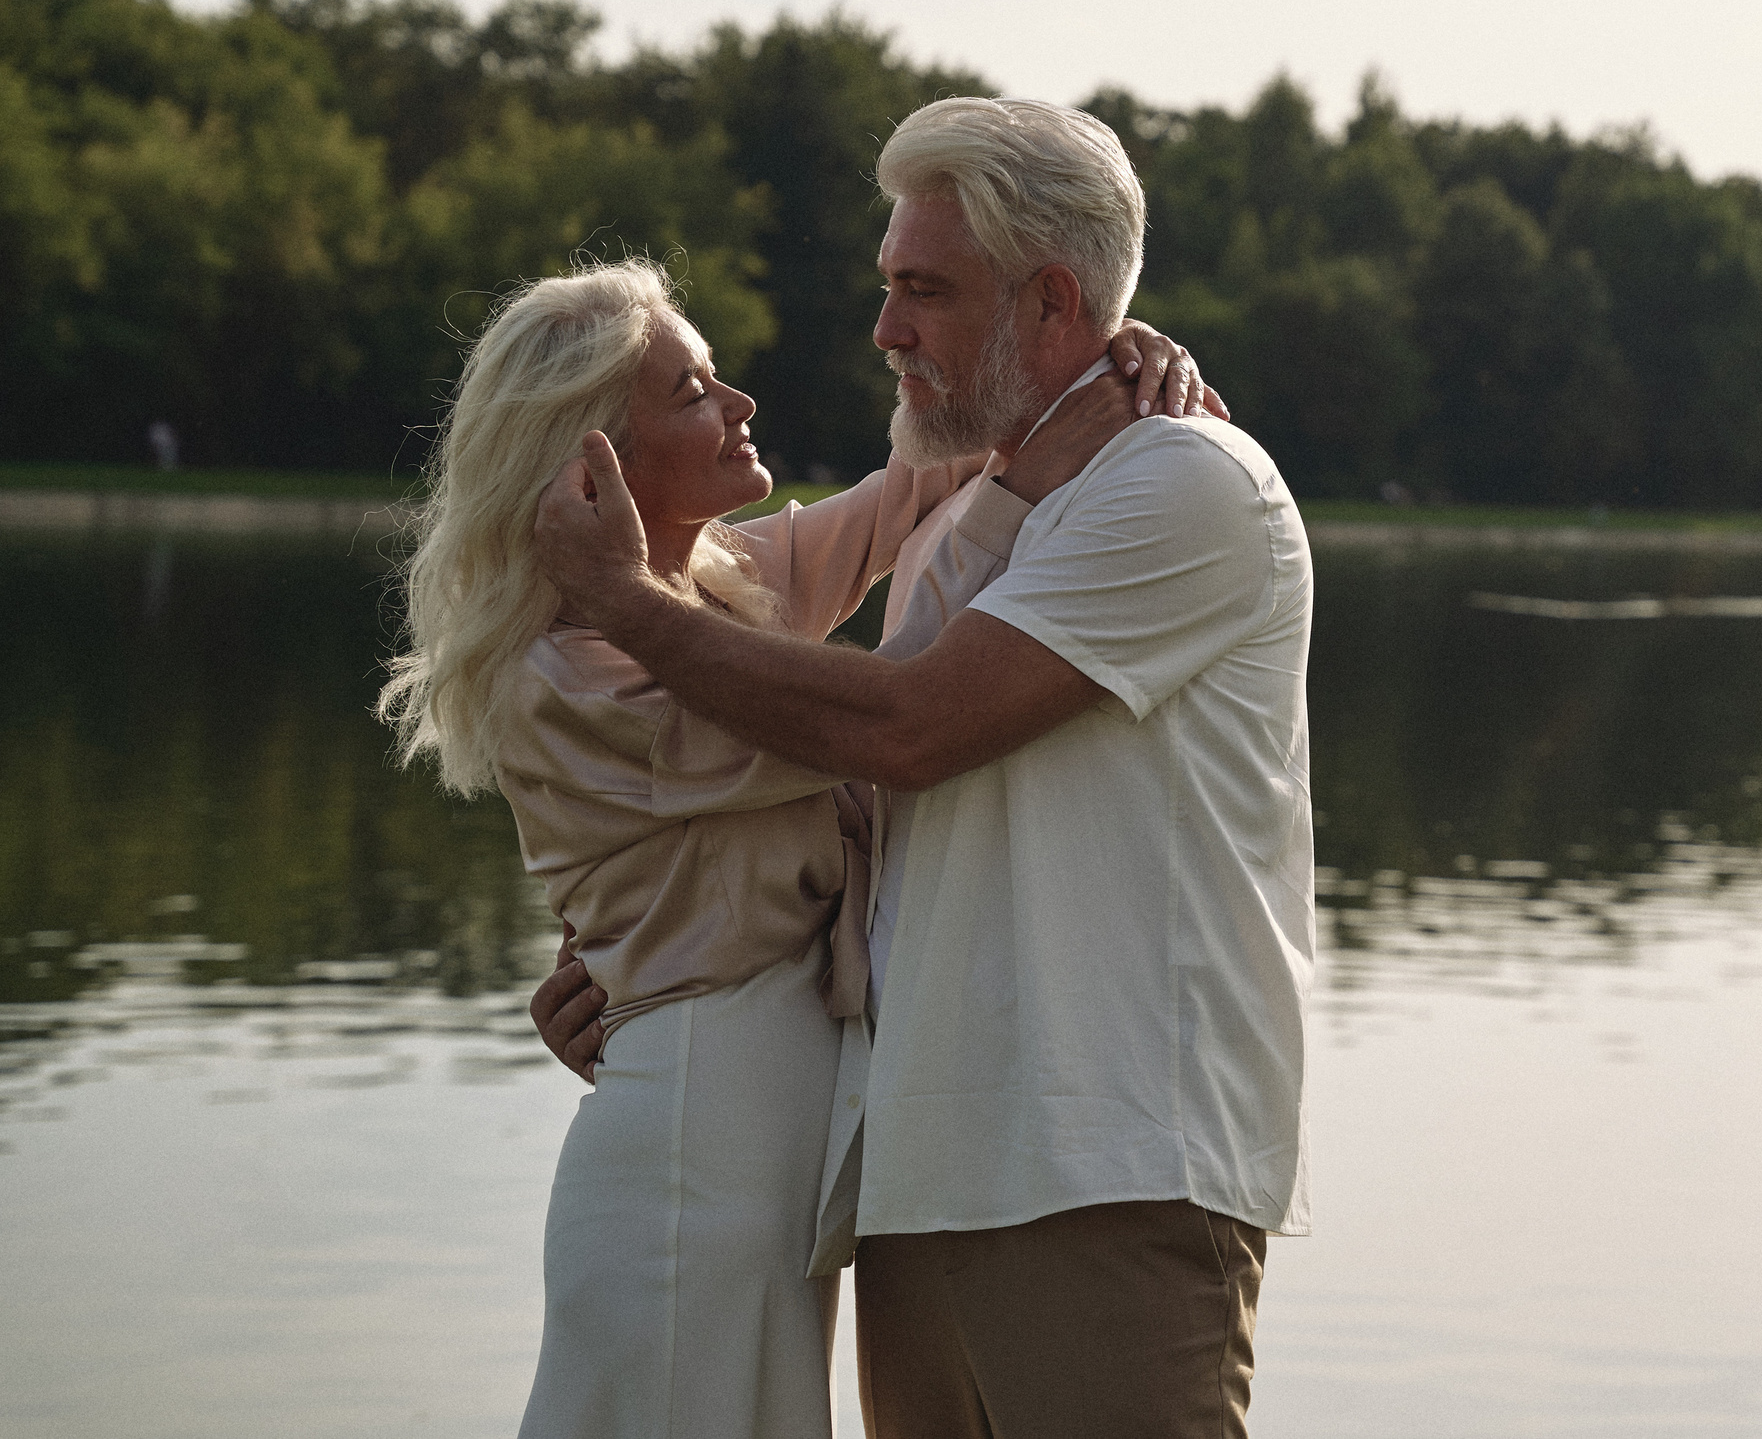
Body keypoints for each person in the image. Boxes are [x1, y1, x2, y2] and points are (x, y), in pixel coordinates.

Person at [531, 97, 1315, 1439]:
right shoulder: (976, 522)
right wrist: (653, 964)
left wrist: (621, 596)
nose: (887, 327)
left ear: (1053, 299)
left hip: (1103, 1177)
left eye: (923, 290)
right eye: (889, 286)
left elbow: (907, 726)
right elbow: (896, 827)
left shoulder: (1183, 480)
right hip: (916, 1176)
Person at [373, 254, 1210, 1439]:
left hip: (756, 1137)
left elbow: (912, 494)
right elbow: (887, 718)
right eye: (693, 390)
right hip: (695, 1141)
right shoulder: (572, 670)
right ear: (591, 462)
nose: (739, 404)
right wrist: (1034, 472)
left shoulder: (708, 593)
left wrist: (1109, 359)